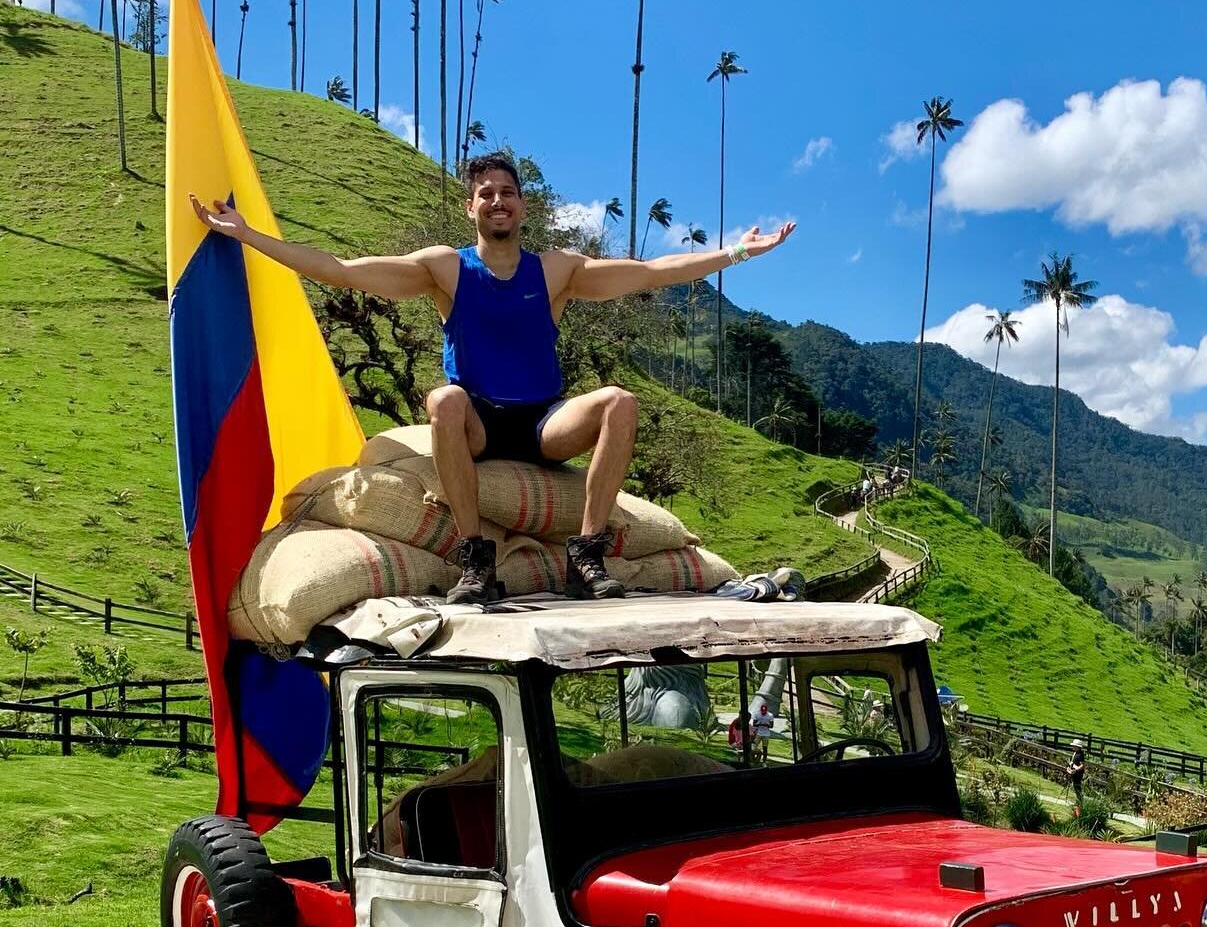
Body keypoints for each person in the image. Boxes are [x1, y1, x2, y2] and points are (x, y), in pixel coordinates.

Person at [191, 154, 795, 604]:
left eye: (508, 193)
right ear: (471, 207)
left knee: (619, 401)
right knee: (443, 398)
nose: (498, 201)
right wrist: (247, 236)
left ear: (523, 207)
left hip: (541, 422)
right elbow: (343, 272)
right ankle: (476, 557)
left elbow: (650, 272)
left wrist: (737, 253)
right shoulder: (444, 268)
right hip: (478, 419)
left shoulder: (557, 270)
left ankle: (586, 553)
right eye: (486, 194)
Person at [1066, 738, 1087, 810]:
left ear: (1078, 747)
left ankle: (1079, 802)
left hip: (1077, 774)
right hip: (1074, 773)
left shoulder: (1080, 754)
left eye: (1074, 746)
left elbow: (1082, 765)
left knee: (1077, 787)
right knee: (1075, 787)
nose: (1073, 747)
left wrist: (1075, 768)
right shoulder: (1076, 753)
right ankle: (1078, 802)